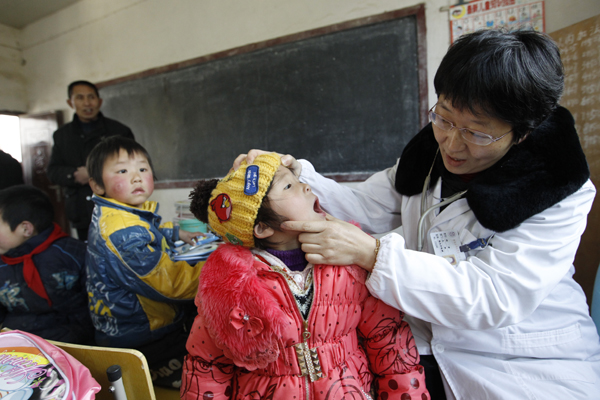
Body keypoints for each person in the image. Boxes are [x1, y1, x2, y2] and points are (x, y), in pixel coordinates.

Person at [235, 29, 600, 399]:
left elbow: (494, 297)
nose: (452, 144)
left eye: (477, 134)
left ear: (521, 133)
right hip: (425, 349)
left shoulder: (557, 188)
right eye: (444, 118)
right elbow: (365, 206)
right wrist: (296, 175)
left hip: (524, 362)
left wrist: (373, 255)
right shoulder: (426, 157)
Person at [181, 153, 430, 400]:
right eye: (288, 186)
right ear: (262, 227)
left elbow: (388, 340)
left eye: (298, 181)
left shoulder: (348, 262)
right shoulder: (231, 286)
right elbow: (207, 366)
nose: (306, 186)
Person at [85, 136, 204, 388]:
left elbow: (149, 228)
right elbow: (172, 284)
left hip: (132, 327)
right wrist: (215, 270)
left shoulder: (119, 213)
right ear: (96, 185)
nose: (136, 177)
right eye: (122, 171)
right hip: (142, 339)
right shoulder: (122, 231)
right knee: (202, 375)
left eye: (142, 169)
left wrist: (178, 233)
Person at [0, 185, 94, 344]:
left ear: (26, 229)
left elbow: (96, 304)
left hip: (73, 342)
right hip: (20, 341)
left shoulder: (73, 254)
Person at [47, 80, 135, 241]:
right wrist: (74, 175)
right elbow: (53, 172)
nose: (87, 103)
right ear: (70, 103)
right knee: (89, 252)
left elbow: (134, 166)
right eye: (80, 98)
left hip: (117, 206)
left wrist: (96, 172)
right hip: (81, 210)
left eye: (91, 97)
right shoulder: (62, 135)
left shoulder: (119, 131)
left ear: (99, 101)